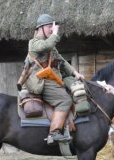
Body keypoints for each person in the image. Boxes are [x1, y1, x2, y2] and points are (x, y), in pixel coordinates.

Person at [22, 14, 87, 143]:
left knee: (77, 89)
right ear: (40, 28)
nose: (52, 29)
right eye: (49, 27)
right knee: (65, 100)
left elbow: (61, 61)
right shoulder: (34, 43)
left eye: (52, 27)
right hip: (41, 81)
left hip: (52, 79)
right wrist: (55, 33)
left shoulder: (51, 46)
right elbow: (45, 46)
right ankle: (54, 133)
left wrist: (75, 73)